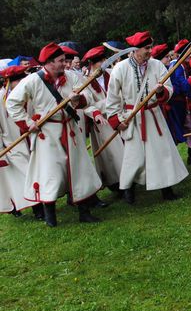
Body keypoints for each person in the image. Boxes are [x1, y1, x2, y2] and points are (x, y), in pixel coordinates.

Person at [6, 43, 103, 227]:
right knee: (50, 174)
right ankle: (50, 217)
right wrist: (28, 123)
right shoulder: (33, 81)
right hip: (47, 134)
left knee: (79, 169)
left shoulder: (72, 76)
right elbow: (12, 103)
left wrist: (78, 99)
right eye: (60, 61)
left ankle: (84, 212)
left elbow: (87, 96)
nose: (64, 64)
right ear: (49, 63)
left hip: (71, 130)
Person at [105, 31, 188, 204]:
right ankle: (129, 189)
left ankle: (167, 190)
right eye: (146, 48)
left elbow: (169, 89)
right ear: (134, 50)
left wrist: (160, 91)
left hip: (154, 116)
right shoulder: (120, 69)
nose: (150, 51)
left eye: (150, 47)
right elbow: (112, 97)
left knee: (162, 153)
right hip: (132, 118)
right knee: (134, 157)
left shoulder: (157, 65)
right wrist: (115, 120)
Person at [0, 65, 44, 220]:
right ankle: (38, 209)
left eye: (22, 79)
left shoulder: (28, 93)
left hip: (32, 139)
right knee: (26, 176)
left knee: (36, 173)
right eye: (17, 80)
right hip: (13, 145)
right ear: (9, 82)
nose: (21, 83)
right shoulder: (1, 99)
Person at [81, 46, 124, 192]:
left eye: (104, 59)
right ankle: (116, 183)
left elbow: (121, 92)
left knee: (123, 149)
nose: (104, 63)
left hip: (118, 115)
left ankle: (129, 179)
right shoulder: (85, 81)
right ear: (92, 64)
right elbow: (86, 104)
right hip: (102, 123)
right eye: (100, 61)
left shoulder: (112, 73)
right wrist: (97, 112)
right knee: (112, 154)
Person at [168, 39, 191, 164]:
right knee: (185, 130)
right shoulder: (178, 66)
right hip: (179, 105)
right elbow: (182, 86)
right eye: (187, 53)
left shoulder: (183, 66)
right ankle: (185, 158)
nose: (190, 55)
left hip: (186, 104)